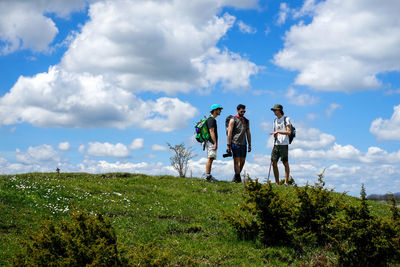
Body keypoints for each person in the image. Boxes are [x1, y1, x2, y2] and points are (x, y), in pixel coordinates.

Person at [226, 104, 251, 183]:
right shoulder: (233, 120)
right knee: (236, 161)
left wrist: (250, 144)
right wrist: (228, 145)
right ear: (237, 110)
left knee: (242, 161)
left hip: (244, 143)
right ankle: (238, 179)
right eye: (241, 111)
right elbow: (229, 132)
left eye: (244, 111)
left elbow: (248, 132)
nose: (243, 112)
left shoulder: (246, 120)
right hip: (235, 142)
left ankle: (236, 176)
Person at [269, 104, 291, 185]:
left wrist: (278, 132)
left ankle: (286, 182)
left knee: (285, 162)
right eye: (273, 110)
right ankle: (277, 182)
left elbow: (289, 132)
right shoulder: (275, 120)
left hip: (284, 144)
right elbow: (275, 131)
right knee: (273, 162)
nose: (274, 112)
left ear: (279, 110)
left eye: (275, 110)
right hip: (276, 143)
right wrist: (275, 135)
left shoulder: (286, 119)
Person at [203, 104, 223, 182]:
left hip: (210, 141)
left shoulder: (211, 119)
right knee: (210, 158)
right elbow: (211, 131)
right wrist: (215, 143)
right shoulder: (211, 120)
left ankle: (208, 175)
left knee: (211, 158)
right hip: (211, 141)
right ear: (215, 110)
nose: (220, 111)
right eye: (219, 109)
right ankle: (207, 176)